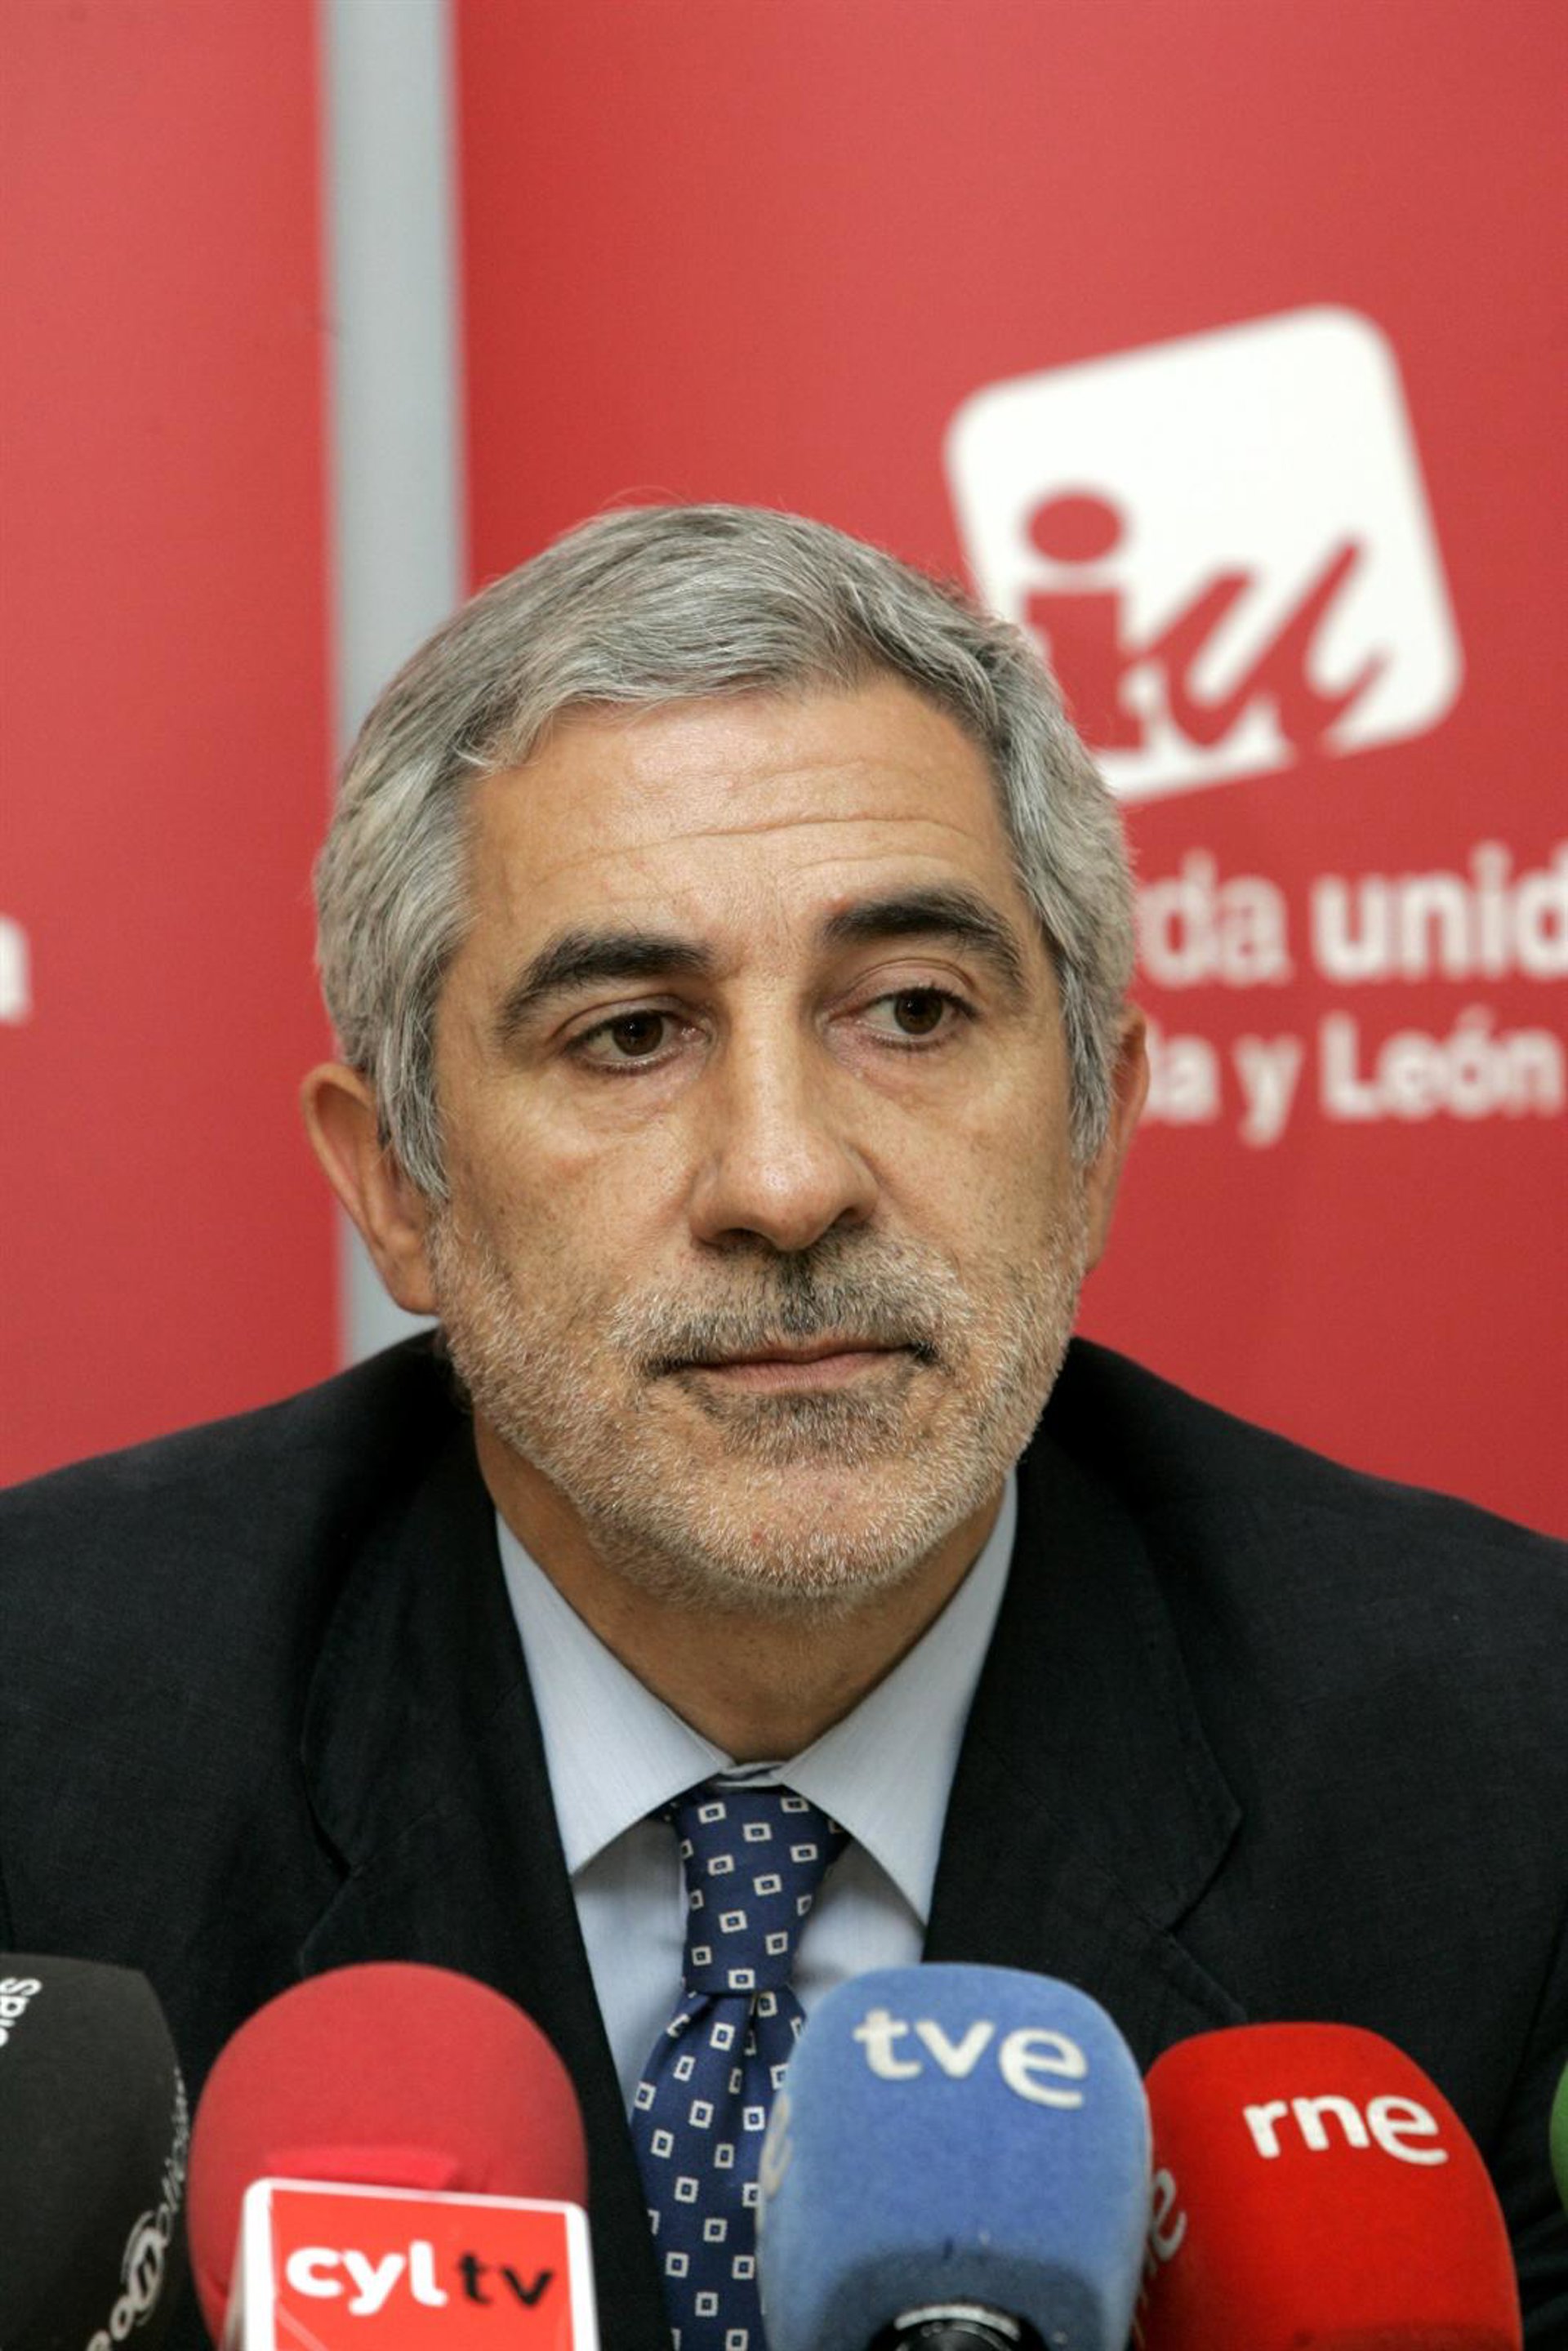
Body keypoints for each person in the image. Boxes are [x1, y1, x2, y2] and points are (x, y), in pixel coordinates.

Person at [2, 505, 1564, 2346]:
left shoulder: (1507, 1778)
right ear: (399, 1187)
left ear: (1095, 1131)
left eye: (911, 1010)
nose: (786, 1180)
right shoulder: (45, 1752)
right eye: (629, 1034)